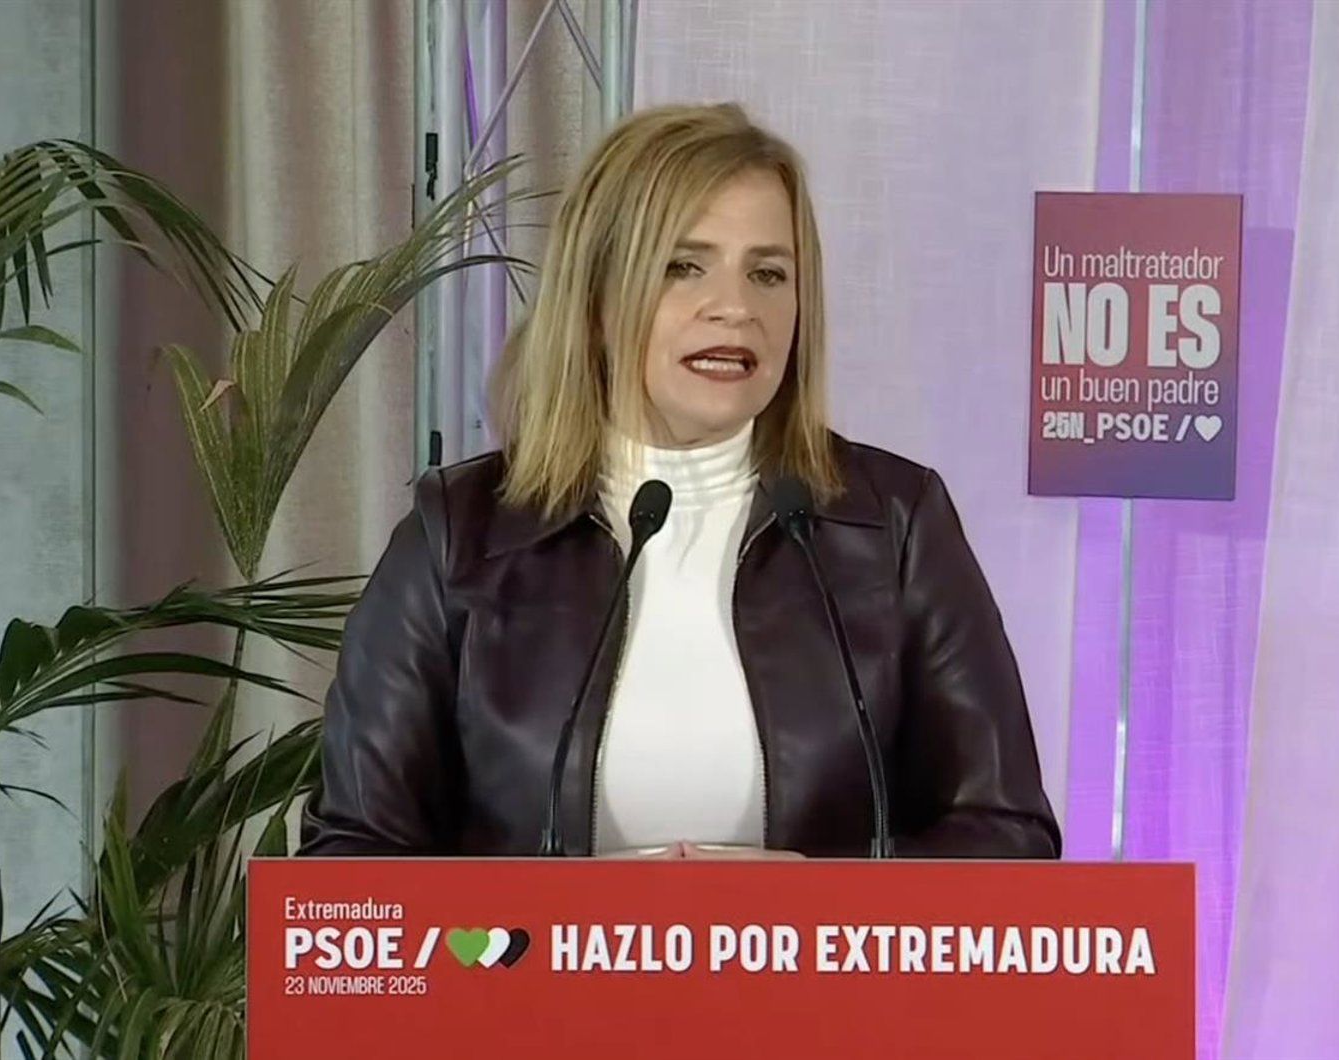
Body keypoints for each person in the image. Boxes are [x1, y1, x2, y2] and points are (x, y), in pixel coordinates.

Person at [300, 102, 1060, 859]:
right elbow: (352, 857)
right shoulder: (458, 536)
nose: (736, 308)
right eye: (683, 267)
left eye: (768, 273)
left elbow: (1007, 834)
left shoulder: (893, 523)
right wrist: (560, 913)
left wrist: (818, 901)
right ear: (597, 299)